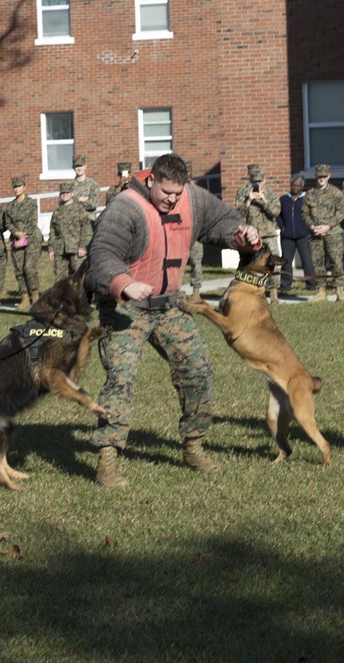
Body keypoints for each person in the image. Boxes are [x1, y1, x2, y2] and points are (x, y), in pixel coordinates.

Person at [85, 153, 261, 487]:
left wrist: (241, 234)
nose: (172, 200)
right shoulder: (125, 207)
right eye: (166, 193)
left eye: (177, 194)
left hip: (169, 306)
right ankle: (107, 458)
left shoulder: (190, 197)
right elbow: (102, 254)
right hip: (124, 308)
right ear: (151, 180)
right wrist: (124, 283)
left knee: (198, 371)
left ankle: (193, 445)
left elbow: (221, 220)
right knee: (120, 379)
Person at [236, 164, 281, 303]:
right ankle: (254, 292)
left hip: (268, 234)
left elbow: (275, 212)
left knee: (274, 263)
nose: (257, 184)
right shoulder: (243, 194)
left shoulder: (271, 195)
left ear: (265, 180)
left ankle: (274, 293)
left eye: (260, 181)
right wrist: (248, 200)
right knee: (251, 265)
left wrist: (264, 200)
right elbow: (238, 214)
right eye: (254, 181)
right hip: (251, 236)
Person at [303, 163, 344, 302]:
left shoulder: (336, 193)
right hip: (315, 234)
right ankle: (321, 292)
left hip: (332, 233)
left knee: (336, 262)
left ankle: (339, 292)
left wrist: (328, 226)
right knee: (318, 263)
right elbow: (305, 213)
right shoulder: (309, 194)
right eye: (319, 176)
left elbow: (341, 212)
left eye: (324, 176)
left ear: (328, 176)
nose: (321, 179)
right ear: (315, 176)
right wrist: (312, 227)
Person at [2, 176, 42, 310]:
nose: (17, 189)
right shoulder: (11, 206)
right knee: (19, 270)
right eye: (15, 187)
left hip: (31, 239)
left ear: (24, 187)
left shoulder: (31, 203)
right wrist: (15, 233)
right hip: (16, 239)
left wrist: (23, 237)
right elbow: (8, 222)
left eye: (19, 186)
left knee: (29, 268)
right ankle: (24, 297)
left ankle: (35, 296)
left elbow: (33, 222)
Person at [277, 173, 316, 294]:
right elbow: (278, 215)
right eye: (293, 185)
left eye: (298, 186)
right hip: (287, 236)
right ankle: (285, 285)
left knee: (307, 260)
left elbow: (312, 214)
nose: (295, 188)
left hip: (303, 235)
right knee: (286, 261)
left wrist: (308, 228)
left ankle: (311, 284)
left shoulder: (306, 198)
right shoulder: (283, 199)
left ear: (302, 186)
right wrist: (282, 227)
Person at [48, 181, 92, 279]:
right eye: (62, 193)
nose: (65, 195)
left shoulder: (79, 209)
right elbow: (52, 230)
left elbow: (86, 229)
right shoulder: (57, 211)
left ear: (72, 194)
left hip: (76, 249)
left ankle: (82, 294)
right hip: (60, 250)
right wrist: (51, 249)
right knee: (60, 278)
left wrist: (83, 247)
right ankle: (63, 294)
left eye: (67, 193)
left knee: (80, 276)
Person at [183, 160, 206, 301]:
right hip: (178, 233)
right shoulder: (173, 191)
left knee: (196, 263)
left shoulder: (198, 192)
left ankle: (196, 291)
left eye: (188, 172)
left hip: (194, 234)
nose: (186, 175)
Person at [71, 154, 101, 224]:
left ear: (85, 167)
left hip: (89, 223)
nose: (79, 168)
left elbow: (93, 205)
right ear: (73, 168)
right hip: (74, 223)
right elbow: (66, 205)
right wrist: (85, 199)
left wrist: (75, 199)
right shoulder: (69, 186)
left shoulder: (93, 185)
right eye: (77, 166)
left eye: (81, 166)